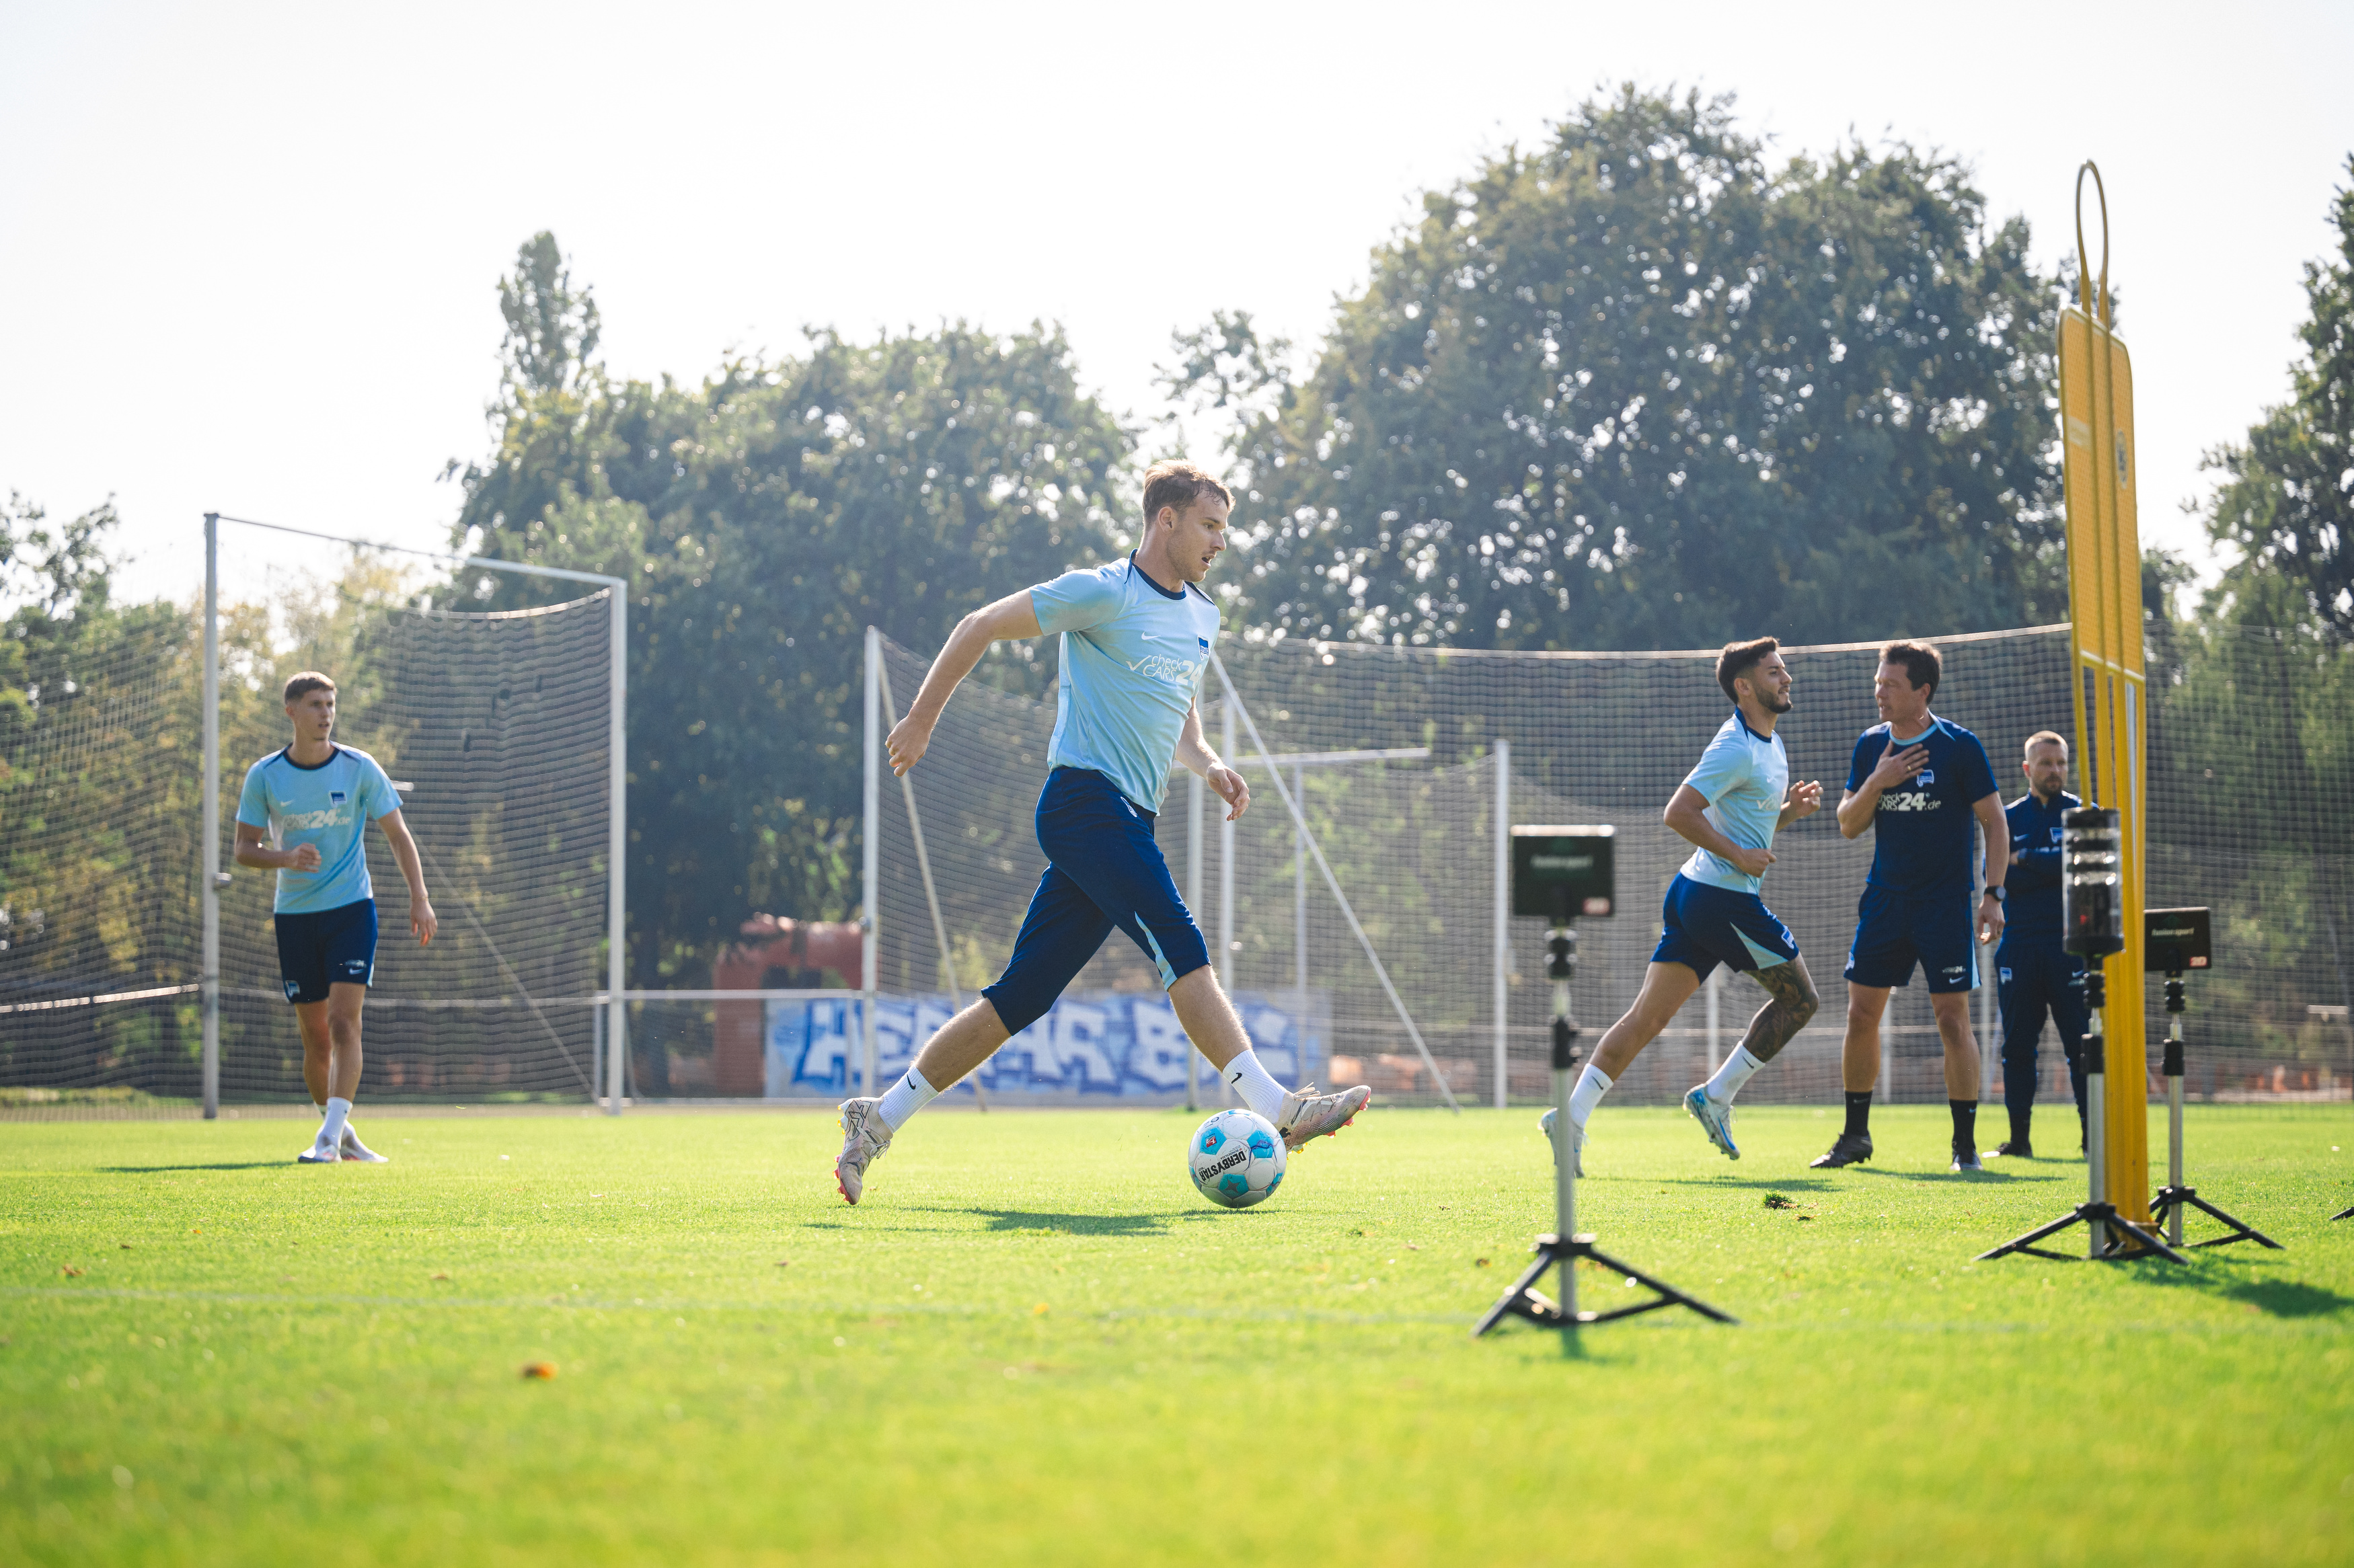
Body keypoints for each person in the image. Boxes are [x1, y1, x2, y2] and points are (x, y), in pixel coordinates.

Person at [832, 461, 1371, 1205]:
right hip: (1082, 801)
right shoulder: (1102, 591)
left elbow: (1175, 704)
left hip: (1127, 815)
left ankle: (876, 1119)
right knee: (1178, 939)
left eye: (1226, 527)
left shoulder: (1202, 616)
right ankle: (1279, 1109)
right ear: (1167, 520)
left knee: (1019, 996)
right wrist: (922, 716)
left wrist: (1209, 763)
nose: (1222, 541)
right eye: (1211, 525)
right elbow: (979, 625)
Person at [1541, 637, 1823, 1172]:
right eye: (1773, 672)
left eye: (1784, 670)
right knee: (1802, 1002)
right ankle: (1715, 1097)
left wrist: (1787, 814)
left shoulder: (1770, 742)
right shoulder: (1735, 746)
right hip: (1723, 899)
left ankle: (1570, 1116)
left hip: (1696, 892)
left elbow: (1748, 827)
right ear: (1744, 687)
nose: (1785, 679)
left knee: (1646, 1019)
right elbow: (1679, 812)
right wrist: (1739, 855)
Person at [1815, 641, 2006, 1174]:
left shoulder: (1959, 747)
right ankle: (1855, 1137)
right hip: (1885, 902)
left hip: (1945, 906)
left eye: (1891, 684)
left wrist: (1993, 894)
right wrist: (1880, 779)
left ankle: (1964, 1147)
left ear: (1922, 691)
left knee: (1952, 1021)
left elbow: (1995, 821)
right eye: (1878, 682)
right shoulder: (1870, 744)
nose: (1879, 691)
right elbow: (1849, 825)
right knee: (1860, 1015)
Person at [234, 672, 437, 1165]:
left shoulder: (359, 767)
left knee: (345, 1023)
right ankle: (341, 1134)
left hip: (352, 910)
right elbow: (243, 850)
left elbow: (398, 834)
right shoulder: (265, 775)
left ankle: (326, 1140)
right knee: (315, 1037)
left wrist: (420, 897)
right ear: (291, 712)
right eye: (314, 704)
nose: (325, 713)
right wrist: (284, 858)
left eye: (330, 704)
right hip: (296, 917)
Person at [1989, 731, 2088, 1158]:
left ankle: (2092, 1139)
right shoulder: (2005, 819)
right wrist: (2048, 865)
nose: (2055, 771)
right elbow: (2001, 879)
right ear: (2028, 769)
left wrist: (2026, 859)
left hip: (2072, 948)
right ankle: (2020, 1141)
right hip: (2020, 946)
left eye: (2061, 763)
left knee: (2082, 1046)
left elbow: (2080, 873)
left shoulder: (2085, 816)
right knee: (2017, 1047)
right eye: (2046, 763)